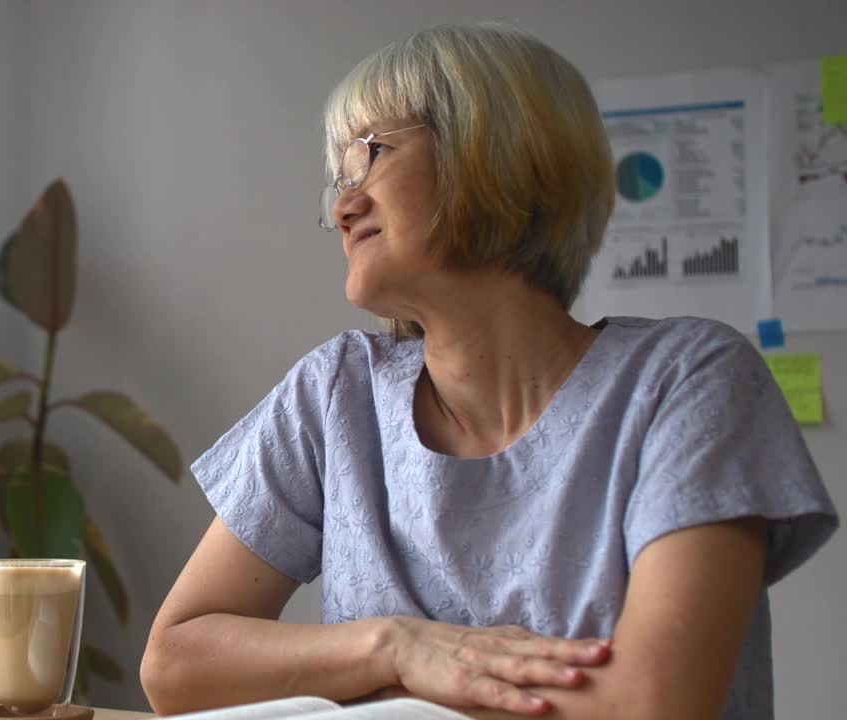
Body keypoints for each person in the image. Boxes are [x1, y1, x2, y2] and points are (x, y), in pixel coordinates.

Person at [140, 23, 838, 720]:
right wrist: (394, 647)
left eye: (372, 155)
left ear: (497, 156)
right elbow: (174, 667)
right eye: (339, 177)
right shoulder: (334, 394)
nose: (343, 206)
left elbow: (655, 702)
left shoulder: (690, 381)